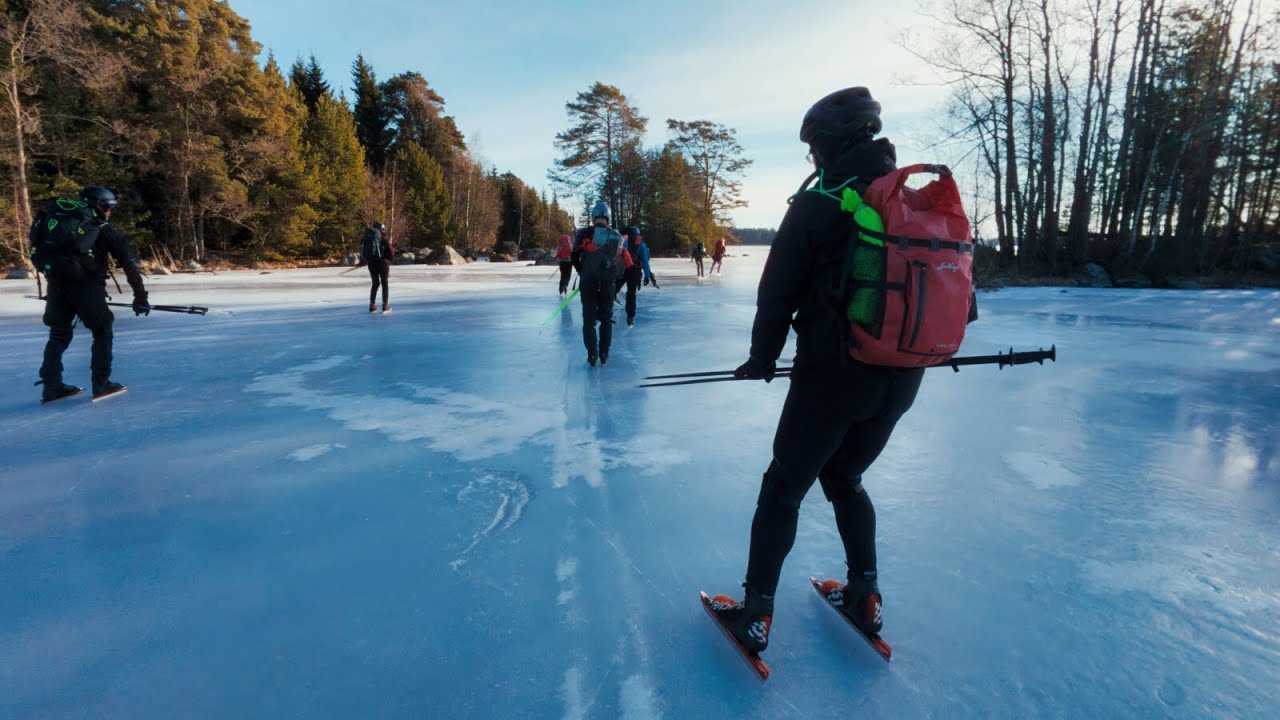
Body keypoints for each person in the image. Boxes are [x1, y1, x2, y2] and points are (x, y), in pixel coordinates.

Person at [707, 86, 978, 656]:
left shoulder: (819, 200)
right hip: (904, 375)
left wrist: (762, 359)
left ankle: (755, 614)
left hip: (834, 375)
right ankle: (865, 595)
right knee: (846, 478)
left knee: (784, 487)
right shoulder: (910, 200)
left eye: (814, 148)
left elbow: (777, 292)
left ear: (826, 146)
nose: (813, 159)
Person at [32, 186, 149, 403]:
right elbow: (128, 262)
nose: (110, 212)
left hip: (56, 282)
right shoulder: (98, 225)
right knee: (103, 329)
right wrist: (140, 296)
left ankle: (51, 386)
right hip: (85, 284)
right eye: (109, 207)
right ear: (101, 207)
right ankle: (101, 383)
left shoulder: (59, 222)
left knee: (59, 334)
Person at [571, 202, 624, 366]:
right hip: (608, 282)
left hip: (588, 281)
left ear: (594, 217)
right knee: (606, 319)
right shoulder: (615, 235)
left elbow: (574, 256)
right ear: (607, 217)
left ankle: (592, 354)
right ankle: (604, 353)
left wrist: (582, 271)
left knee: (588, 320)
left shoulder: (583, 233)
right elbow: (621, 262)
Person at [616, 226, 653, 327]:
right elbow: (645, 261)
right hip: (635, 272)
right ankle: (630, 317)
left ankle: (604, 312)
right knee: (631, 294)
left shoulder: (623, 241)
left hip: (623, 270)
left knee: (614, 289)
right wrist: (646, 276)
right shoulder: (641, 245)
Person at [361, 221, 395, 313]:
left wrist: (365, 261)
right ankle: (385, 305)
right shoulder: (383, 238)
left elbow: (364, 251)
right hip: (383, 264)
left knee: (375, 284)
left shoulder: (367, 238)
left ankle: (372, 305)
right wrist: (389, 260)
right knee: (384, 283)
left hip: (371, 263)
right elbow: (391, 251)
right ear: (381, 229)